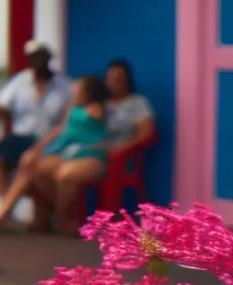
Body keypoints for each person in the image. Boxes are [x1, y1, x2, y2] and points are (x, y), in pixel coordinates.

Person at [30, 58, 156, 228]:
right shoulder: (98, 103)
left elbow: (147, 133)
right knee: (38, 167)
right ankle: (54, 216)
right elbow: (70, 125)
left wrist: (122, 149)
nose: (113, 84)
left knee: (66, 175)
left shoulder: (136, 103)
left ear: (128, 81)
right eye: (110, 79)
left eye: (119, 79)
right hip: (80, 151)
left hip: (114, 158)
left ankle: (63, 219)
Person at [0, 74, 112, 232]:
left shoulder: (96, 110)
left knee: (64, 175)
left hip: (88, 155)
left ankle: (61, 217)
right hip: (67, 153)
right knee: (29, 165)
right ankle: (5, 211)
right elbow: (60, 130)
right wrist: (37, 148)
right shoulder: (73, 109)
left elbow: (98, 118)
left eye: (78, 89)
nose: (73, 91)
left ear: (86, 94)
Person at [0, 40, 72, 201]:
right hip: (20, 138)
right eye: (33, 58)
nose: (37, 62)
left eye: (41, 58)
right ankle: (5, 202)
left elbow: (69, 118)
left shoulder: (64, 85)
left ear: (48, 59)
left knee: (32, 163)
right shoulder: (20, 82)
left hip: (49, 140)